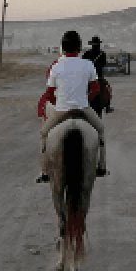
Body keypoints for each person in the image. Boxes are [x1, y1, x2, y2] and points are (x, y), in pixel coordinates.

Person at [35, 29, 107, 184]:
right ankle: (102, 166)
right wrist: (84, 100)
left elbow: (49, 94)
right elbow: (95, 89)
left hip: (61, 111)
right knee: (100, 129)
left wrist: (59, 103)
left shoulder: (56, 66)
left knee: (43, 134)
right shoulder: (87, 64)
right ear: (79, 47)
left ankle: (45, 171)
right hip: (83, 109)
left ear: (63, 47)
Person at [83, 35, 113, 115]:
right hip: (98, 77)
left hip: (88, 78)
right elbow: (103, 65)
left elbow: (83, 65)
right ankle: (107, 106)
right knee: (107, 88)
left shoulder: (86, 53)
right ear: (99, 45)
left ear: (92, 45)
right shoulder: (102, 54)